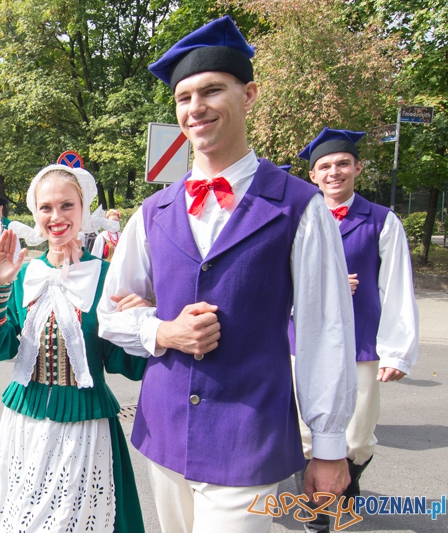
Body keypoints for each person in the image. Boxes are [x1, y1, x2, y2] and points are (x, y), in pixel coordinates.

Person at [96, 16, 358, 532]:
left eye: (212, 90)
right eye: (183, 97)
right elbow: (109, 314)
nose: (195, 107)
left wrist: (329, 447)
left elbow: (325, 331)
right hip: (163, 431)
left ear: (249, 94)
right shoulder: (152, 212)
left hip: (248, 435)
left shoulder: (300, 207)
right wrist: (161, 330)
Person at [0, 164, 147, 533]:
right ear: (35, 214)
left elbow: (127, 365)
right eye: (46, 207)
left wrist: (142, 320)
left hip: (85, 428)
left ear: (83, 209)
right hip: (23, 427)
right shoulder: (23, 274)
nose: (56, 217)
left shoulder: (107, 276)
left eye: (67, 205)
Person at [290, 128, 419, 532]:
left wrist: (397, 351)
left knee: (358, 438)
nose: (334, 172)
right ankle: (316, 517)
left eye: (343, 163)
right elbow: (277, 281)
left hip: (359, 345)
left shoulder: (381, 221)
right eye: (325, 166)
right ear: (312, 175)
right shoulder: (297, 219)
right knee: (306, 434)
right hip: (302, 344)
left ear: (358, 168)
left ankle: (346, 481)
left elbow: (396, 286)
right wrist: (318, 289)